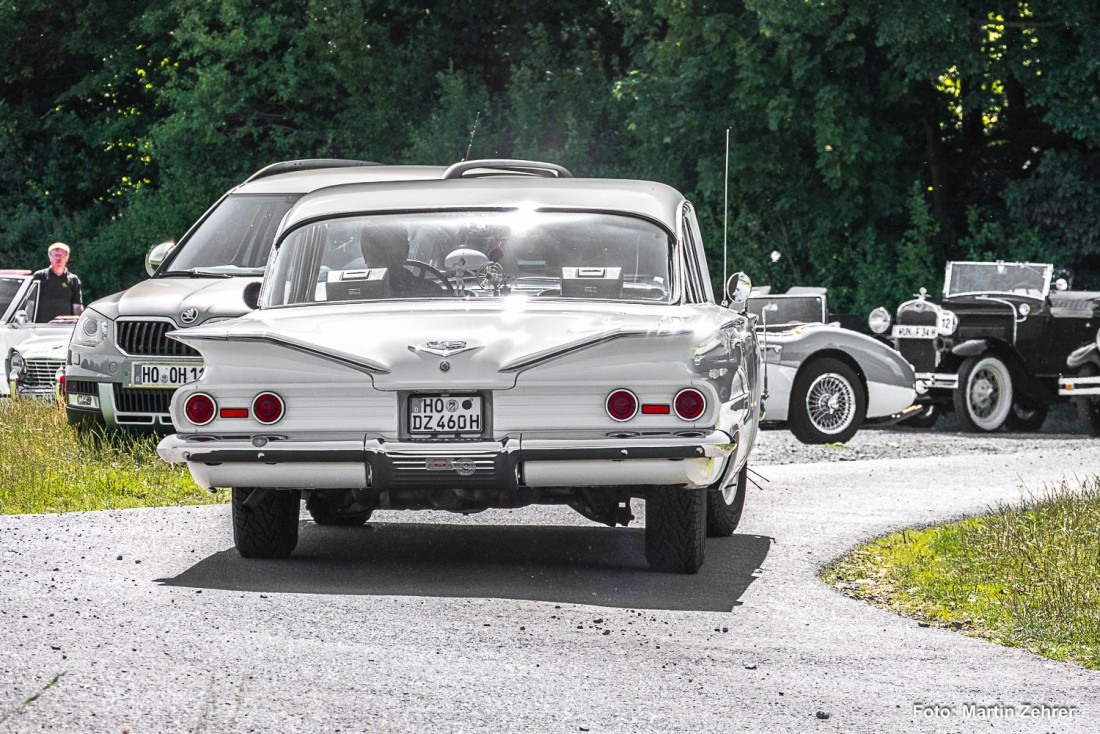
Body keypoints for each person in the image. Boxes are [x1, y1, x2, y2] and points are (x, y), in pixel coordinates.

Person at [31, 242, 83, 322]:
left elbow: (77, 306)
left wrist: (81, 323)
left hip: (63, 327)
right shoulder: (39, 276)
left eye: (61, 255)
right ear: (50, 258)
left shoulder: (73, 280)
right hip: (41, 326)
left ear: (67, 257)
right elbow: (30, 302)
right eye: (55, 255)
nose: (58, 258)